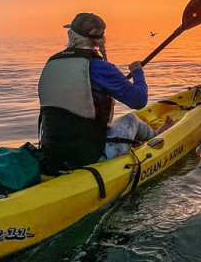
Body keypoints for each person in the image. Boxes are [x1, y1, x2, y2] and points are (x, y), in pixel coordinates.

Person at [37, 12, 149, 172]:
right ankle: (159, 135)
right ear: (102, 39)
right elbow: (139, 100)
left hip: (52, 152)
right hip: (89, 155)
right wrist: (137, 72)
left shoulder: (52, 62)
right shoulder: (100, 67)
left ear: (71, 35)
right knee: (132, 119)